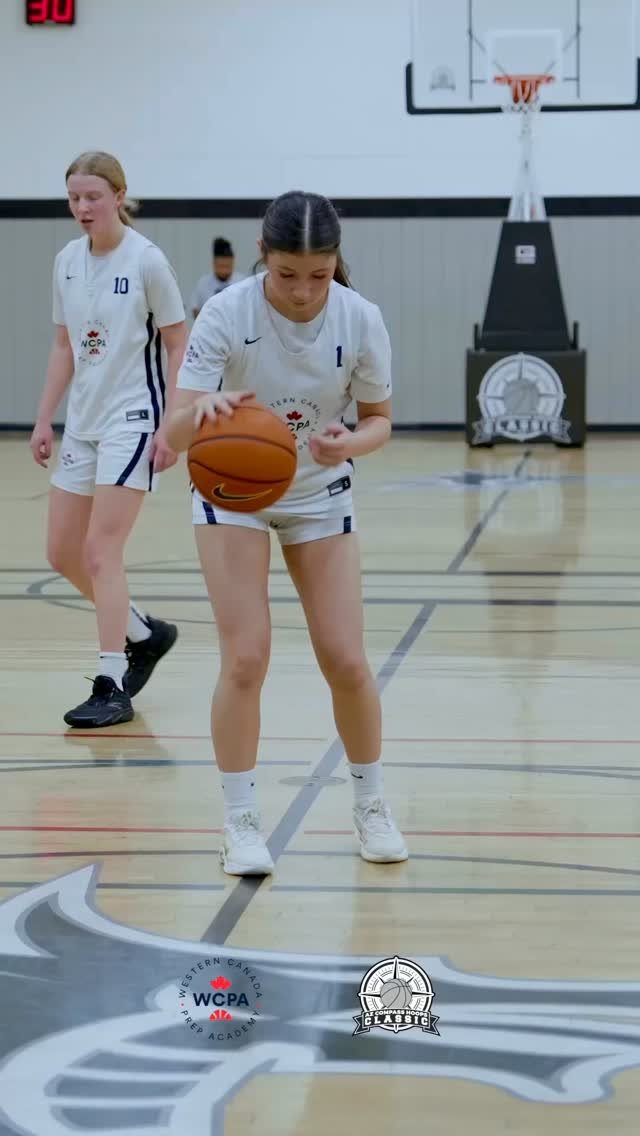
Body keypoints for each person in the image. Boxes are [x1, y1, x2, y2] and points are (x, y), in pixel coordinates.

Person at [165, 190, 408, 875]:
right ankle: (240, 821)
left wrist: (349, 443)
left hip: (318, 492)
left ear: (336, 263)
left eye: (319, 275)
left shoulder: (360, 318)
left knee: (347, 659)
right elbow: (173, 434)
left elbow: (380, 420)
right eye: (287, 275)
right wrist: (201, 412)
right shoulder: (226, 313)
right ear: (263, 256)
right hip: (232, 495)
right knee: (246, 658)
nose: (303, 291)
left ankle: (371, 804)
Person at [29, 151, 187, 729]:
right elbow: (63, 346)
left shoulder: (147, 261)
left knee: (100, 552)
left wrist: (173, 423)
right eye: (74, 198)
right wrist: (44, 418)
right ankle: (144, 634)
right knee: (62, 553)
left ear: (119, 196)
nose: (82, 207)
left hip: (133, 419)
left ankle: (111, 682)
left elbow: (179, 343)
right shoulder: (67, 261)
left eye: (93, 196)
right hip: (83, 422)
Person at [190, 237, 244, 319]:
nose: (224, 271)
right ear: (214, 263)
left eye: (227, 266)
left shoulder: (242, 282)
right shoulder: (203, 283)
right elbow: (195, 308)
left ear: (233, 263)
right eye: (221, 266)